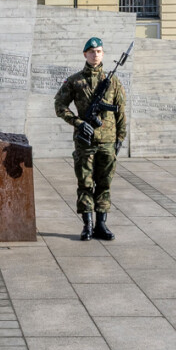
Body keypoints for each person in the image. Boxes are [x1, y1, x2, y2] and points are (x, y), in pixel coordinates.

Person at [53, 36, 127, 240]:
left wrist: (120, 138)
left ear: (103, 54)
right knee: (85, 183)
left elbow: (120, 112)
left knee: (104, 184)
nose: (96, 55)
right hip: (85, 142)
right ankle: (88, 225)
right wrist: (78, 123)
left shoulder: (112, 82)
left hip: (107, 141)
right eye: (92, 52)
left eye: (99, 51)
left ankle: (101, 225)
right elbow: (59, 106)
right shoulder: (75, 81)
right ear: (85, 54)